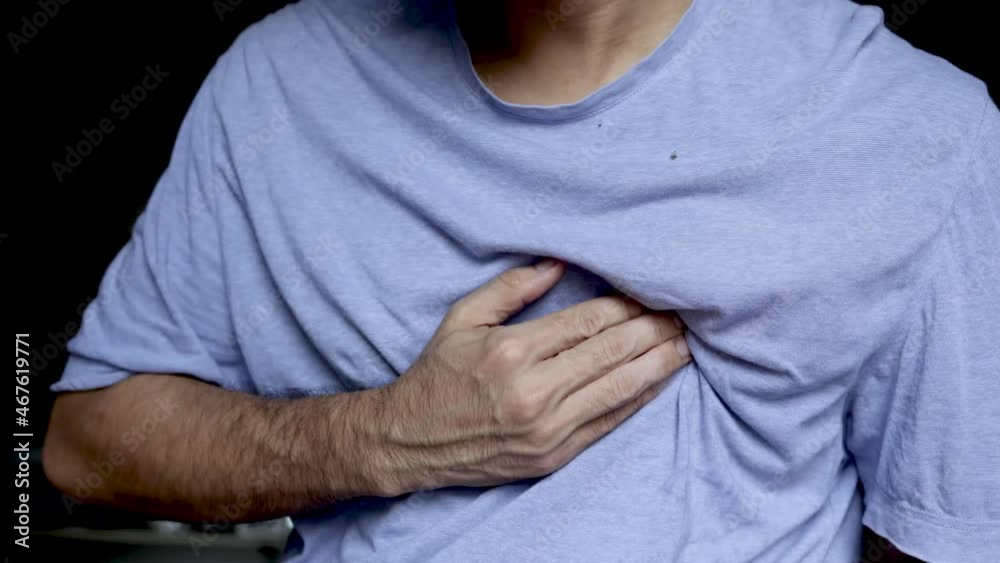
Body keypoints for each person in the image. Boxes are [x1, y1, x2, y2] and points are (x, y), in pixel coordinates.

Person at [44, 0, 999, 561]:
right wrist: (381, 438)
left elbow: (948, 535)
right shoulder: (278, 83)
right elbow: (82, 448)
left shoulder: (913, 132)